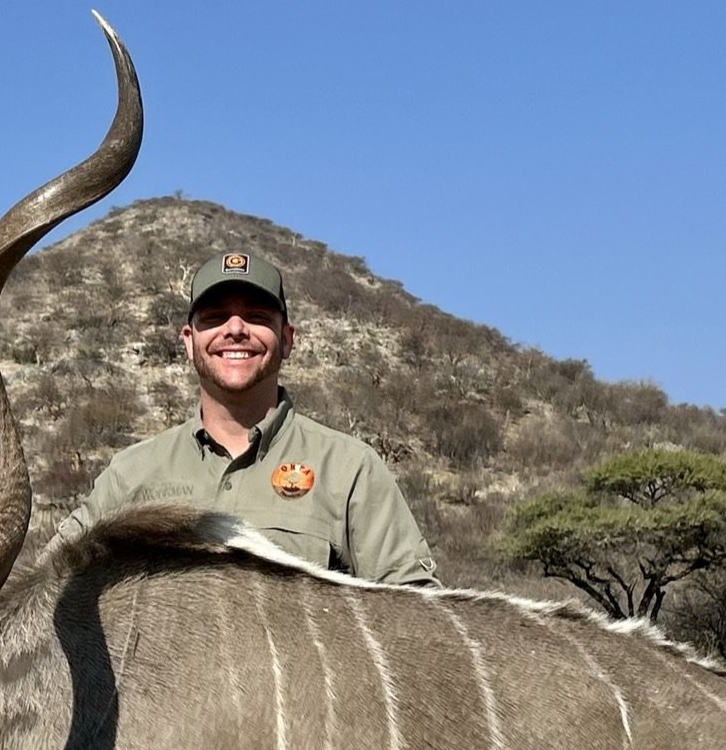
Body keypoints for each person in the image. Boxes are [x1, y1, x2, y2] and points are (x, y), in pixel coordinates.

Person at [57, 249, 440, 586]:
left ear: (287, 339)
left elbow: (416, 609)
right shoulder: (132, 473)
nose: (236, 329)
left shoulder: (350, 468)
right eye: (215, 317)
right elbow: (50, 581)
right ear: (189, 341)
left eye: (256, 316)